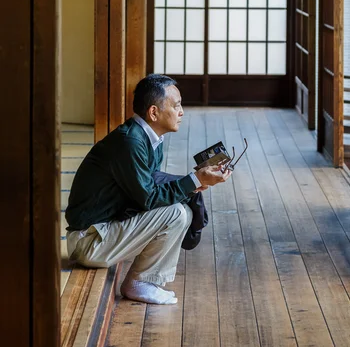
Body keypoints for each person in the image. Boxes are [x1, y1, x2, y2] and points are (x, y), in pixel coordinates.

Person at [65, 74, 232, 305]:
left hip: (103, 232)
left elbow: (149, 187)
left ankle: (145, 280)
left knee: (181, 208)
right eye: (176, 105)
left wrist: (195, 183)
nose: (181, 112)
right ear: (154, 113)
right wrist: (193, 180)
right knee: (176, 213)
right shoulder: (130, 143)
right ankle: (139, 282)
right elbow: (148, 198)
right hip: (89, 242)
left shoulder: (148, 138)